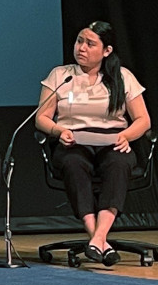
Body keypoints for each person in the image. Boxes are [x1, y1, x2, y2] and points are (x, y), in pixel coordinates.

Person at [35, 21, 151, 267]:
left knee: (118, 164)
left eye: (90, 44)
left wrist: (126, 136)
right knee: (73, 164)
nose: (81, 48)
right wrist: (59, 130)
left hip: (113, 141)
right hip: (73, 141)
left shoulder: (122, 77)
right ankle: (98, 240)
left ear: (106, 50)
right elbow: (42, 118)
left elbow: (143, 120)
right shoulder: (61, 75)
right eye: (79, 41)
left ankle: (98, 239)